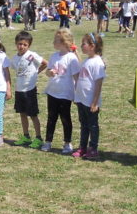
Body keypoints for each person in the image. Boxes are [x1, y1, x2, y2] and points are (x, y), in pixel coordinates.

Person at [42, 28, 80, 155]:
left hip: (65, 93)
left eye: (56, 40)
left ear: (64, 42)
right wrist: (50, 72)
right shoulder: (54, 56)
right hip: (52, 92)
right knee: (51, 118)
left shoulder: (72, 58)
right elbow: (48, 71)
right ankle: (48, 141)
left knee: (65, 118)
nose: (54, 42)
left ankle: (67, 142)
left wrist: (78, 94)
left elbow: (76, 77)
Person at [10, 30, 47, 149]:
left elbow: (45, 63)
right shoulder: (15, 58)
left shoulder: (31, 55)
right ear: (16, 44)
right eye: (20, 44)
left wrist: (37, 72)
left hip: (29, 90)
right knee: (22, 114)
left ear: (29, 45)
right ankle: (26, 136)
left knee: (33, 114)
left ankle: (38, 138)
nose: (22, 46)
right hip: (19, 90)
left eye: (25, 44)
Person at [72, 32, 106, 160]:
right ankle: (83, 147)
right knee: (84, 125)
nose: (81, 46)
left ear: (92, 46)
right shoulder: (88, 60)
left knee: (93, 126)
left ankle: (93, 148)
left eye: (83, 44)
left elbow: (98, 84)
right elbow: (82, 66)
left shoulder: (98, 63)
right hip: (82, 99)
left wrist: (95, 102)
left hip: (90, 101)